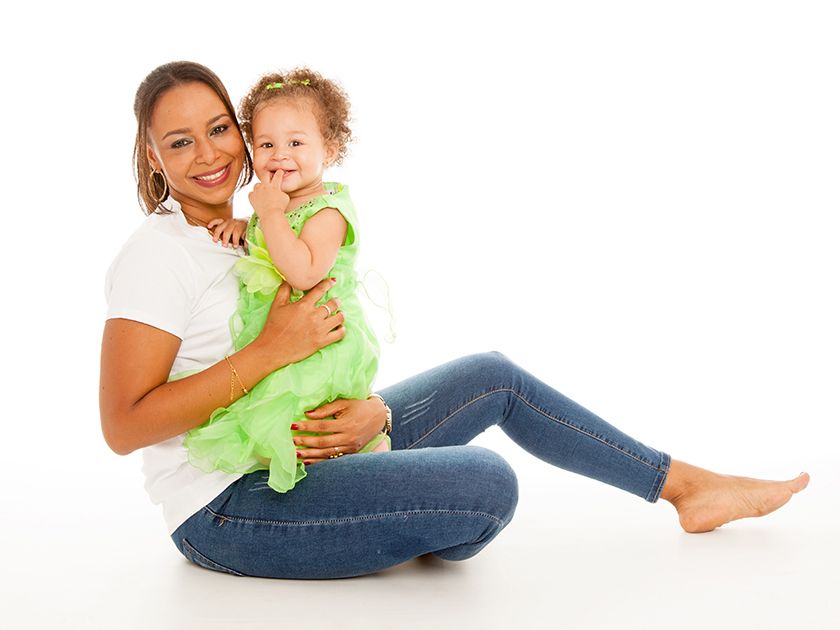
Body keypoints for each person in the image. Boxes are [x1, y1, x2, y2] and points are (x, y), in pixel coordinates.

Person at [100, 61, 810, 580]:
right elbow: (123, 426)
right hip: (231, 506)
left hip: (315, 446)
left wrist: (373, 414)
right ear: (154, 157)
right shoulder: (157, 256)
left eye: (220, 129)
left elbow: (314, 346)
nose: (211, 153)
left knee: (491, 377)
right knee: (487, 485)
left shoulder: (252, 226)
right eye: (181, 141)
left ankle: (687, 487)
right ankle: (411, 514)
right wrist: (268, 354)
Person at [182, 68, 388, 493]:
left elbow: (304, 270)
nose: (280, 156)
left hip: (322, 342)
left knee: (313, 419)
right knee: (289, 427)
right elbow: (270, 246)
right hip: (283, 339)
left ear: (328, 149)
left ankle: (370, 468)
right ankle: (326, 492)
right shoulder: (273, 207)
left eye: (296, 143)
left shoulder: (328, 210)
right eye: (266, 144)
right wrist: (248, 226)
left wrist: (269, 215)